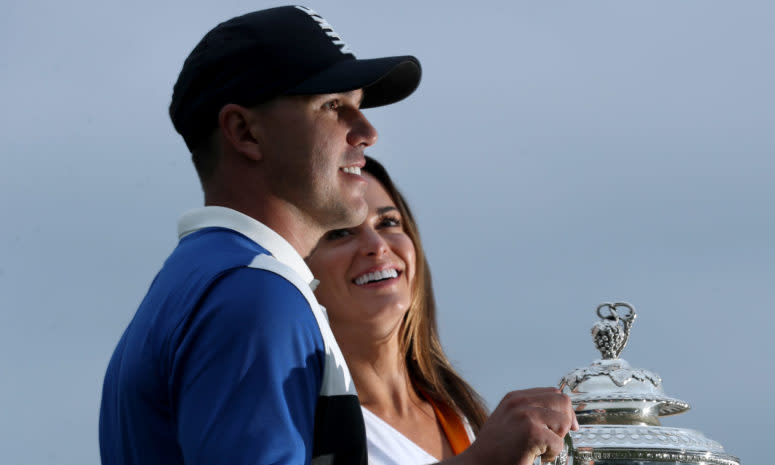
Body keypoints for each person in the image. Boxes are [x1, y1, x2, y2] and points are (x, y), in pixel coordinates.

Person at [98, 6, 421, 465]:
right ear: (245, 132)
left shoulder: (204, 280)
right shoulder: (255, 294)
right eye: (333, 107)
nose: (367, 131)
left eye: (358, 106)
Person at [306, 156, 578, 465]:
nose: (377, 245)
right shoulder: (303, 421)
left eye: (389, 222)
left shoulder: (462, 415)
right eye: (341, 232)